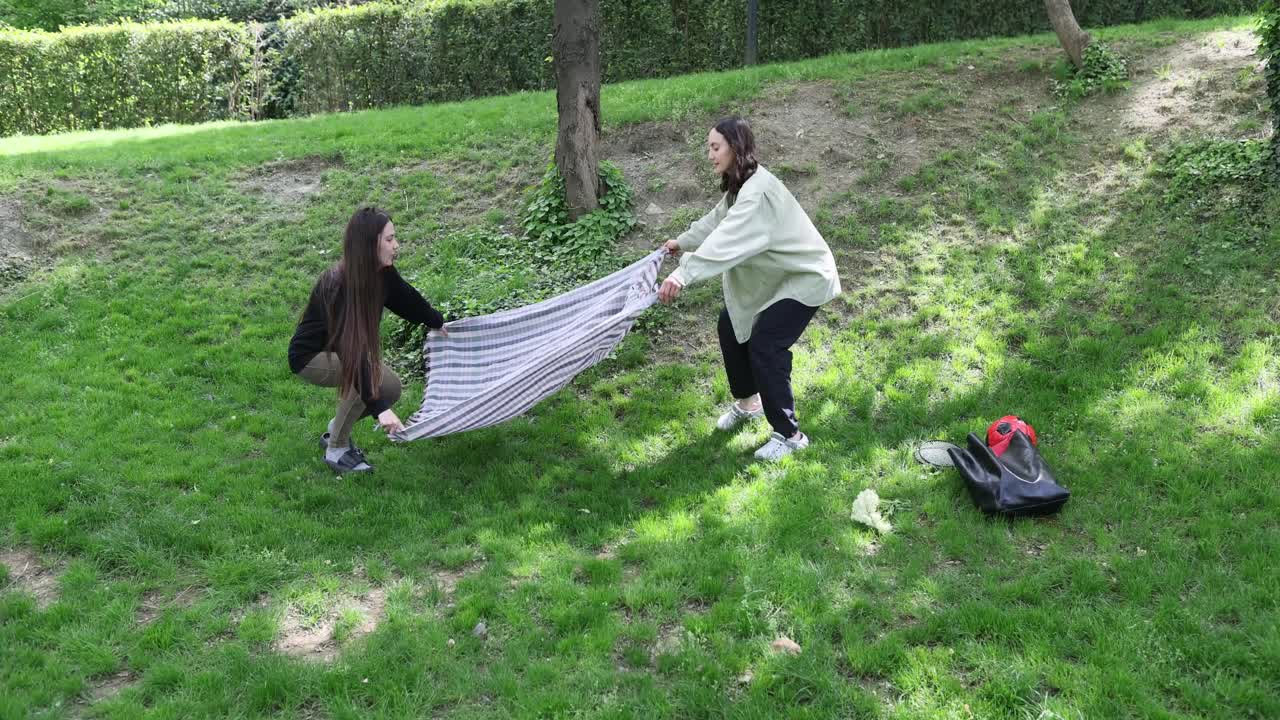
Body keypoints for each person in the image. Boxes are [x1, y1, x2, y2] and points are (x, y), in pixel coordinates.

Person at [659, 116, 841, 461]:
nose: (710, 155)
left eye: (716, 147)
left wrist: (683, 274)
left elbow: (727, 238)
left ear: (735, 148)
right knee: (730, 325)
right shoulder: (740, 185)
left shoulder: (756, 192)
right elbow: (717, 221)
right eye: (708, 147)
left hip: (806, 276)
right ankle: (749, 402)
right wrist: (680, 242)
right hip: (779, 277)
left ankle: (790, 435)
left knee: (766, 345)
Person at [288, 207, 447, 473]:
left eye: (394, 238)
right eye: (389, 239)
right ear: (368, 244)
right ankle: (337, 449)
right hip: (311, 357)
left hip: (347, 353)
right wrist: (379, 410)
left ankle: (337, 427)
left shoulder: (381, 273)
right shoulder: (339, 285)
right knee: (367, 381)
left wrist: (436, 320)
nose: (396, 246)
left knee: (391, 388)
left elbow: (406, 298)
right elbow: (354, 354)